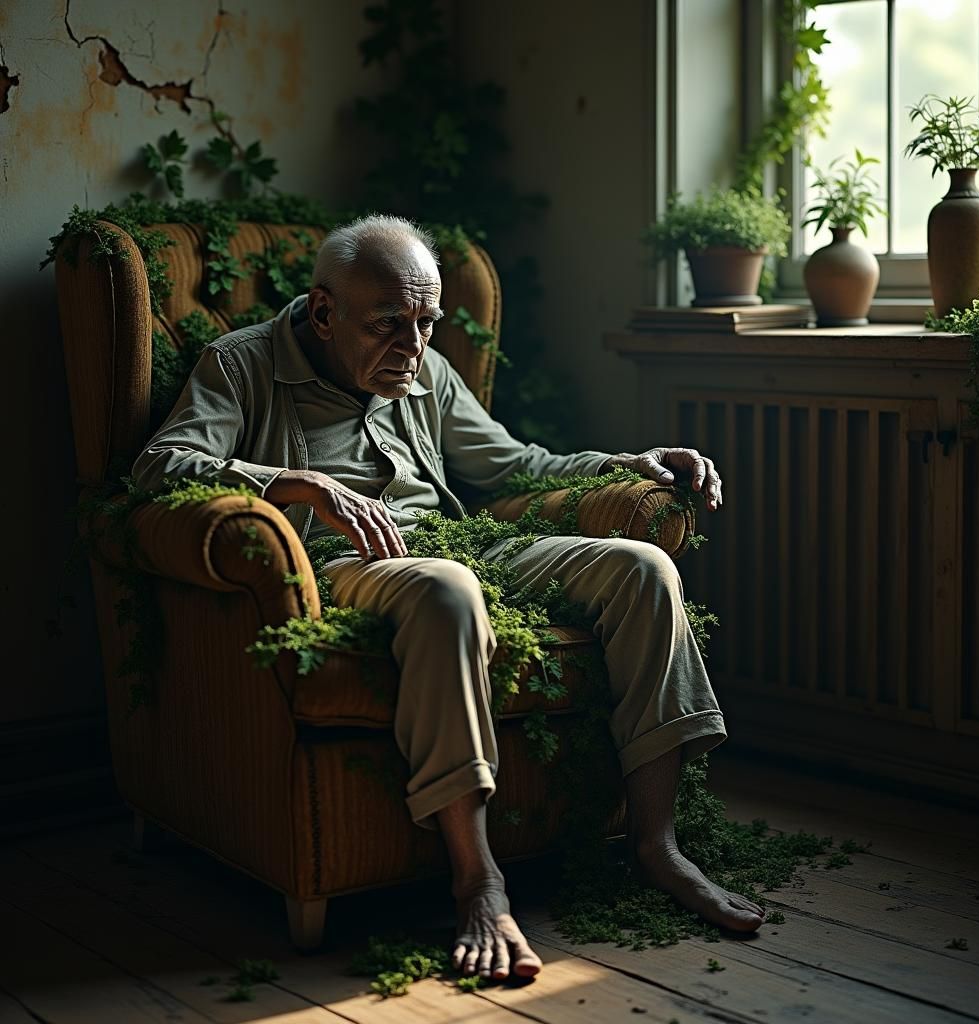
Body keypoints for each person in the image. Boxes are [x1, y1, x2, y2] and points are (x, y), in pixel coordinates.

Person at [133, 213, 765, 981]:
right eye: (390, 325)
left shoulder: (424, 368)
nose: (414, 346)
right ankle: (479, 880)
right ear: (325, 312)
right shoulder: (242, 366)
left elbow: (513, 466)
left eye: (427, 322)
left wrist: (627, 461)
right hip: (337, 563)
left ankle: (657, 846)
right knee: (449, 588)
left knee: (641, 569)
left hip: (458, 543)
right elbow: (161, 465)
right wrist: (292, 483)